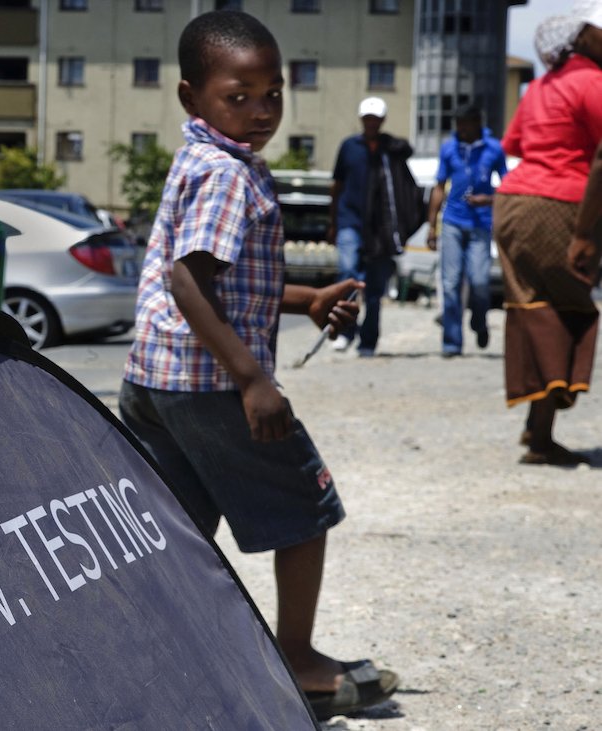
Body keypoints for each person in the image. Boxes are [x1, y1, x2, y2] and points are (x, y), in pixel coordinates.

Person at [117, 10, 397, 721]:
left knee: (176, 528)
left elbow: (225, 281)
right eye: (237, 97)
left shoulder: (202, 157)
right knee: (305, 507)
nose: (260, 111)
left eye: (272, 93)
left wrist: (304, 298)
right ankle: (299, 661)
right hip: (209, 383)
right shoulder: (228, 176)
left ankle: (148, 661)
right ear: (191, 97)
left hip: (156, 379)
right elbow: (188, 281)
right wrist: (253, 380)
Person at [493, 3, 602, 466]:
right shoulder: (594, 82)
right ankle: (539, 435)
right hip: (561, 204)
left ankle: (538, 431)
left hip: (513, 202)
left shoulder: (538, 86)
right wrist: (584, 233)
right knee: (572, 310)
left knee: (533, 308)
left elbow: (515, 145)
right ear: (586, 37)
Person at [328, 97, 420, 357]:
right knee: (348, 274)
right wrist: (333, 221)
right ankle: (346, 331)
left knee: (374, 289)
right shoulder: (349, 147)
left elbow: (405, 184)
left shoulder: (390, 150)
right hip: (350, 220)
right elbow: (337, 186)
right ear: (361, 120)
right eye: (367, 119)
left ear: (382, 121)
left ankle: (368, 341)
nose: (371, 123)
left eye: (375, 119)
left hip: (380, 229)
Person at [425, 103, 507, 357]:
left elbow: (508, 186)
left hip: (481, 224)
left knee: (480, 281)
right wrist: (432, 226)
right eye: (457, 124)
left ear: (476, 122)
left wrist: (489, 198)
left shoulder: (494, 149)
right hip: (452, 221)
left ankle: (479, 321)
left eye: (465, 123)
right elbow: (439, 187)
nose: (460, 128)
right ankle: (451, 342)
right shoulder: (449, 149)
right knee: (450, 283)